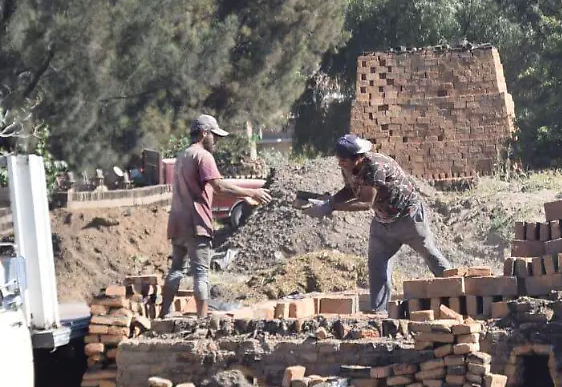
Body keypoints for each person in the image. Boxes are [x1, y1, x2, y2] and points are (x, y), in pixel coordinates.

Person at [303, 134, 452, 316]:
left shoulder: (375, 166)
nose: (340, 163)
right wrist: (330, 201)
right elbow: (350, 190)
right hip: (383, 221)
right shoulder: (348, 167)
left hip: (408, 217)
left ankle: (458, 292)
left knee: (429, 254)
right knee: (377, 265)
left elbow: (365, 202)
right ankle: (379, 313)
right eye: (339, 159)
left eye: (343, 160)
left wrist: (331, 207)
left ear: (357, 158)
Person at [162, 115, 272, 320]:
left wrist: (242, 195)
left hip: (177, 223)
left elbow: (213, 188)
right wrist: (251, 192)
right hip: (197, 224)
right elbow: (219, 185)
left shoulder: (181, 156)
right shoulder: (203, 156)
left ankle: (164, 312)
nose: (217, 141)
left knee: (176, 269)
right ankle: (202, 319)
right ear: (204, 133)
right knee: (201, 273)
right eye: (215, 136)